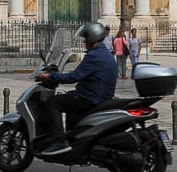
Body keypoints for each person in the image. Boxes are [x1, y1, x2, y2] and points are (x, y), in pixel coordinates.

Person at [36, 21, 117, 155]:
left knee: (53, 103)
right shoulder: (107, 54)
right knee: (70, 99)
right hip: (101, 96)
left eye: (85, 38)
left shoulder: (94, 55)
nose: (84, 41)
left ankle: (60, 141)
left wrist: (51, 76)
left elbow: (73, 77)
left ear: (91, 38)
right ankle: (72, 138)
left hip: (90, 97)